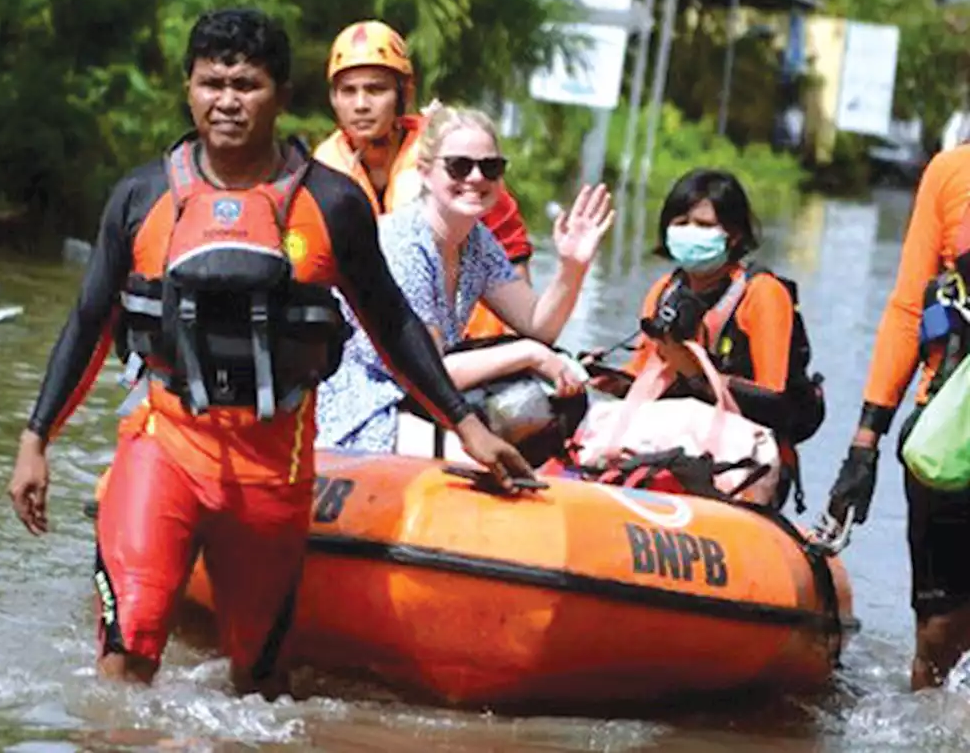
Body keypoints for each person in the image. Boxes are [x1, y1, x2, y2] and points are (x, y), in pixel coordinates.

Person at [5, 9, 531, 698]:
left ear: (281, 95)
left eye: (246, 84)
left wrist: (467, 425)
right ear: (189, 90)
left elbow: (394, 326)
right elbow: (88, 321)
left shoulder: (332, 204)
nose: (227, 100)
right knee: (126, 661)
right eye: (211, 83)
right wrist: (36, 437)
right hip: (162, 446)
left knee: (259, 686)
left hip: (274, 465)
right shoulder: (141, 196)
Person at [316, 104, 612, 453]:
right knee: (500, 461)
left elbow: (538, 325)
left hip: (426, 403)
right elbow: (426, 371)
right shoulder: (405, 244)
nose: (475, 178)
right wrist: (529, 354)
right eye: (459, 166)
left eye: (490, 168)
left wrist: (572, 268)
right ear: (425, 172)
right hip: (366, 410)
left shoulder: (476, 241)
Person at [591, 169, 824, 511]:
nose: (689, 233)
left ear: (733, 235)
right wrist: (603, 377)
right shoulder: (665, 292)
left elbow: (774, 401)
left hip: (746, 459)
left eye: (703, 225)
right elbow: (641, 376)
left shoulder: (762, 294)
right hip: (675, 447)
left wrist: (698, 377)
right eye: (681, 222)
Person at [824, 143, 970, 691]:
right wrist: (865, 445)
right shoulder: (952, 172)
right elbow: (910, 307)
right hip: (950, 433)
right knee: (938, 634)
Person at [314, 20, 534, 340]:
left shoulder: (456, 157)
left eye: (376, 89)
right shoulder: (323, 168)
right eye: (348, 91)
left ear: (404, 94)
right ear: (334, 98)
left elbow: (510, 249)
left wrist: (519, 341)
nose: (361, 105)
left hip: (469, 333)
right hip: (375, 332)